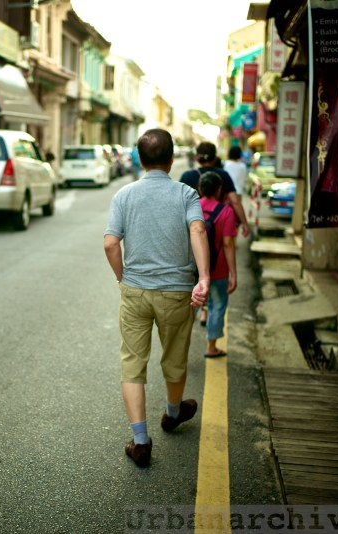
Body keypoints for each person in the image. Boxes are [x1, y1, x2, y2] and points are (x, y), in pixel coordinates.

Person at [104, 128, 210, 468]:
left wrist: (122, 277)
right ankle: (172, 414)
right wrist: (204, 278)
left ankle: (140, 441)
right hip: (176, 292)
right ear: (171, 159)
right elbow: (197, 230)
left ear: (139, 158)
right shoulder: (186, 194)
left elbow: (110, 243)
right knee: (175, 358)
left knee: (132, 363)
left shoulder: (124, 195)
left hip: (135, 291)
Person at [197, 171, 238, 357]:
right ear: (219, 190)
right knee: (217, 306)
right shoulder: (226, 211)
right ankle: (211, 347)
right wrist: (233, 274)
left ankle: (179, 348)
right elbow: (228, 244)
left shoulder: (193, 207)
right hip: (218, 268)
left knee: (189, 307)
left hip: (195, 268)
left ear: (200, 189)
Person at [180, 141, 250, 239]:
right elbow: (235, 201)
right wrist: (244, 223)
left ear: (197, 158)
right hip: (217, 224)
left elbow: (179, 204)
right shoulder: (223, 175)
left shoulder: (187, 176)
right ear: (214, 158)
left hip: (193, 225)